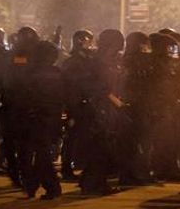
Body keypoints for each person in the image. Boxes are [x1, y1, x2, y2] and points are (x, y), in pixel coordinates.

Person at [78, 29, 126, 195]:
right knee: (101, 148)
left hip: (107, 108)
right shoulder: (98, 62)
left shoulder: (109, 61)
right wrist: (119, 104)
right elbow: (101, 89)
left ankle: (89, 181)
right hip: (99, 109)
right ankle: (95, 184)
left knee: (101, 148)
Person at [20, 41, 65, 199]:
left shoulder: (30, 73)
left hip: (37, 117)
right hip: (52, 117)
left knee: (41, 154)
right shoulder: (58, 73)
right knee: (42, 153)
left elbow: (25, 96)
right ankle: (34, 184)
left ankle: (50, 186)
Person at [0, 26, 40, 187]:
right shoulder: (16, 58)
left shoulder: (14, 57)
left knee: (19, 144)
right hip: (17, 106)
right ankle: (18, 172)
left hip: (19, 106)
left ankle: (19, 172)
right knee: (19, 144)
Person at [147, 32, 180, 182]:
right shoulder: (156, 64)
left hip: (168, 106)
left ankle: (169, 168)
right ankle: (163, 169)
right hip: (162, 107)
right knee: (164, 141)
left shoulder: (165, 63)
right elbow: (161, 87)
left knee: (172, 139)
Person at [59, 29, 95, 180]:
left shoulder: (84, 60)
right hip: (76, 105)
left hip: (83, 104)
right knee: (72, 137)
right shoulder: (73, 62)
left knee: (80, 138)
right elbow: (72, 85)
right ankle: (67, 169)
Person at [122, 32, 154, 184]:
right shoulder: (135, 62)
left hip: (134, 106)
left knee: (135, 142)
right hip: (137, 106)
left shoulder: (125, 60)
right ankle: (135, 173)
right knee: (138, 142)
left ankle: (133, 173)